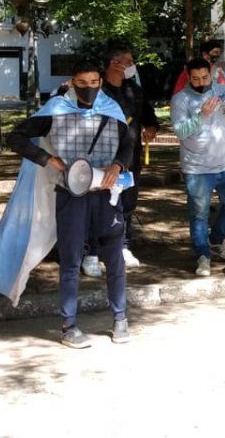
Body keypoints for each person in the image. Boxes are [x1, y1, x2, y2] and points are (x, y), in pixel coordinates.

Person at [6, 60, 135, 348]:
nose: (87, 89)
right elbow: (15, 137)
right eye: (81, 83)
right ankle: (69, 326)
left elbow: (130, 140)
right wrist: (47, 159)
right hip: (70, 196)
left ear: (100, 82)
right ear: (72, 83)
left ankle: (120, 319)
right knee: (70, 261)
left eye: (93, 83)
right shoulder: (56, 110)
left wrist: (118, 164)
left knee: (114, 259)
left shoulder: (112, 109)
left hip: (106, 195)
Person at [78, 44, 158, 278]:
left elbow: (147, 115)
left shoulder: (134, 89)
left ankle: (123, 246)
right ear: (115, 63)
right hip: (100, 156)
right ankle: (91, 253)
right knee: (96, 203)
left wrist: (152, 126)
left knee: (127, 202)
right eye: (130, 61)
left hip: (129, 157)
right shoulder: (97, 89)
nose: (133, 66)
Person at [171, 58, 225, 276]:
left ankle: (217, 239)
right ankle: (202, 255)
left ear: (211, 73)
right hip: (196, 168)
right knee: (199, 214)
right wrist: (202, 115)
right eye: (195, 78)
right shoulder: (181, 99)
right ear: (188, 77)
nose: (200, 82)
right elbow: (180, 132)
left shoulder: (222, 90)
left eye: (204, 77)